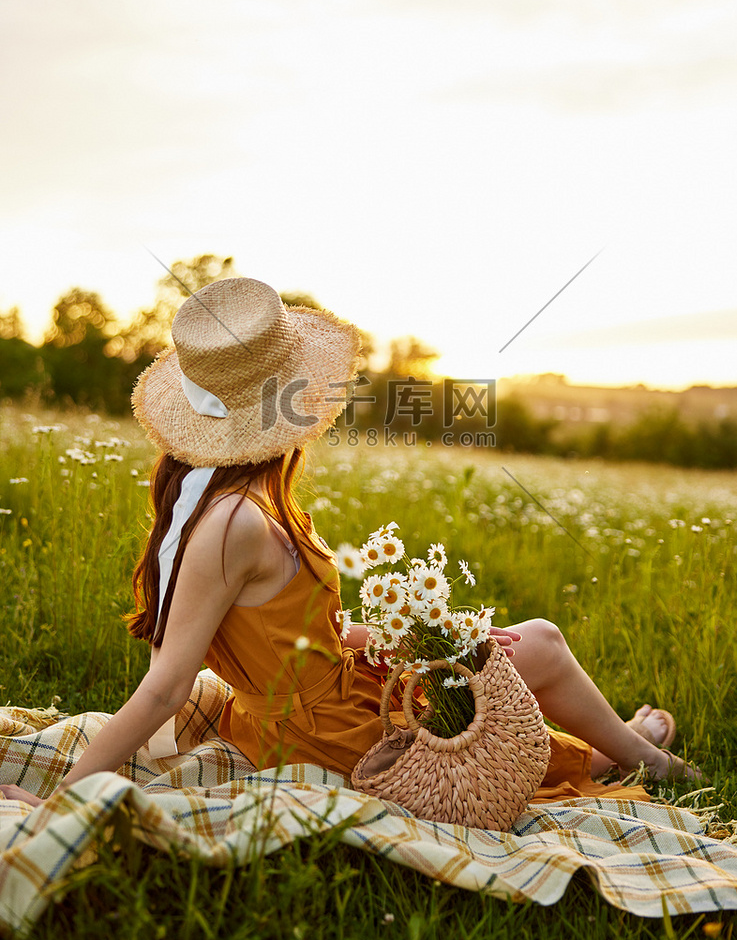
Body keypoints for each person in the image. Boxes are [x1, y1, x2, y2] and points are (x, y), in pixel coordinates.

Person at [0, 277, 698, 809]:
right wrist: (67, 799)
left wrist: (408, 640)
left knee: (505, 650)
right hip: (329, 735)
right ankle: (636, 760)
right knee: (538, 643)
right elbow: (164, 690)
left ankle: (616, 748)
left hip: (326, 698)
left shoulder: (228, 502)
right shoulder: (236, 522)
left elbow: (301, 634)